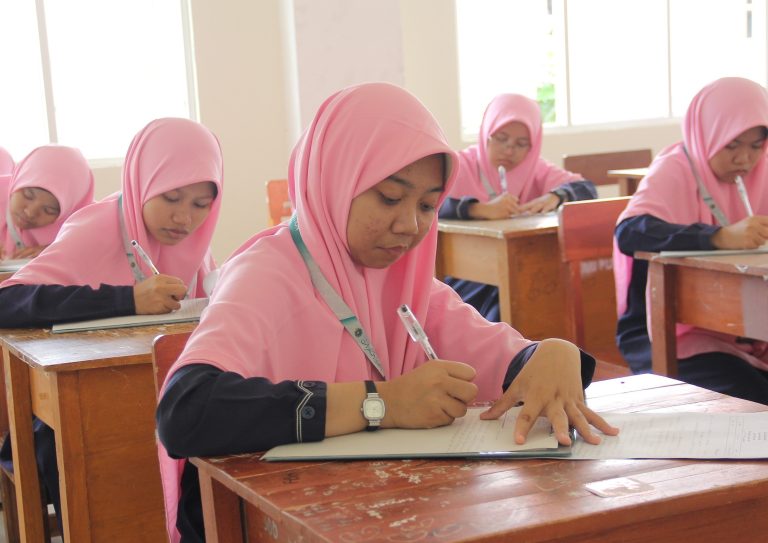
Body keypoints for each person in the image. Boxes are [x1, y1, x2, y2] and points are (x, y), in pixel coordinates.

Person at [155, 83, 617, 543]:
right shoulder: (266, 274)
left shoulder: (404, 279)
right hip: (266, 523)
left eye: (427, 205)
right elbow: (185, 410)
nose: (410, 225)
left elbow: (495, 351)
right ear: (335, 181)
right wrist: (380, 404)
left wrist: (549, 354)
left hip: (370, 513)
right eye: (391, 198)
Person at [0, 117, 224, 525]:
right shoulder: (97, 226)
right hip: (81, 407)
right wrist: (128, 299)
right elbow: (8, 302)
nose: (183, 218)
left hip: (158, 396)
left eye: (200, 205)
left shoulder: (195, 243)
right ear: (143, 182)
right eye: (171, 197)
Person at [614, 76, 768, 404]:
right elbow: (630, 231)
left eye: (756, 146)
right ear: (707, 132)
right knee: (755, 400)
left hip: (746, 329)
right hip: (671, 332)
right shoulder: (675, 168)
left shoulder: (761, 170)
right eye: (732, 145)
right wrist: (718, 237)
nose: (745, 159)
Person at [439, 93, 597, 321]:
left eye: (521, 144)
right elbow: (431, 204)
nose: (509, 150)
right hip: (467, 278)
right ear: (486, 133)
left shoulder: (535, 169)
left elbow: (586, 189)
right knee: (509, 293)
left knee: (546, 286)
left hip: (524, 271)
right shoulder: (459, 165)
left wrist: (555, 196)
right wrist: (480, 210)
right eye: (501, 138)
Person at [1, 145, 94, 261]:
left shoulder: (87, 224)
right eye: (28, 195)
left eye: (48, 210)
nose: (30, 213)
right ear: (17, 180)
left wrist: (59, 252)